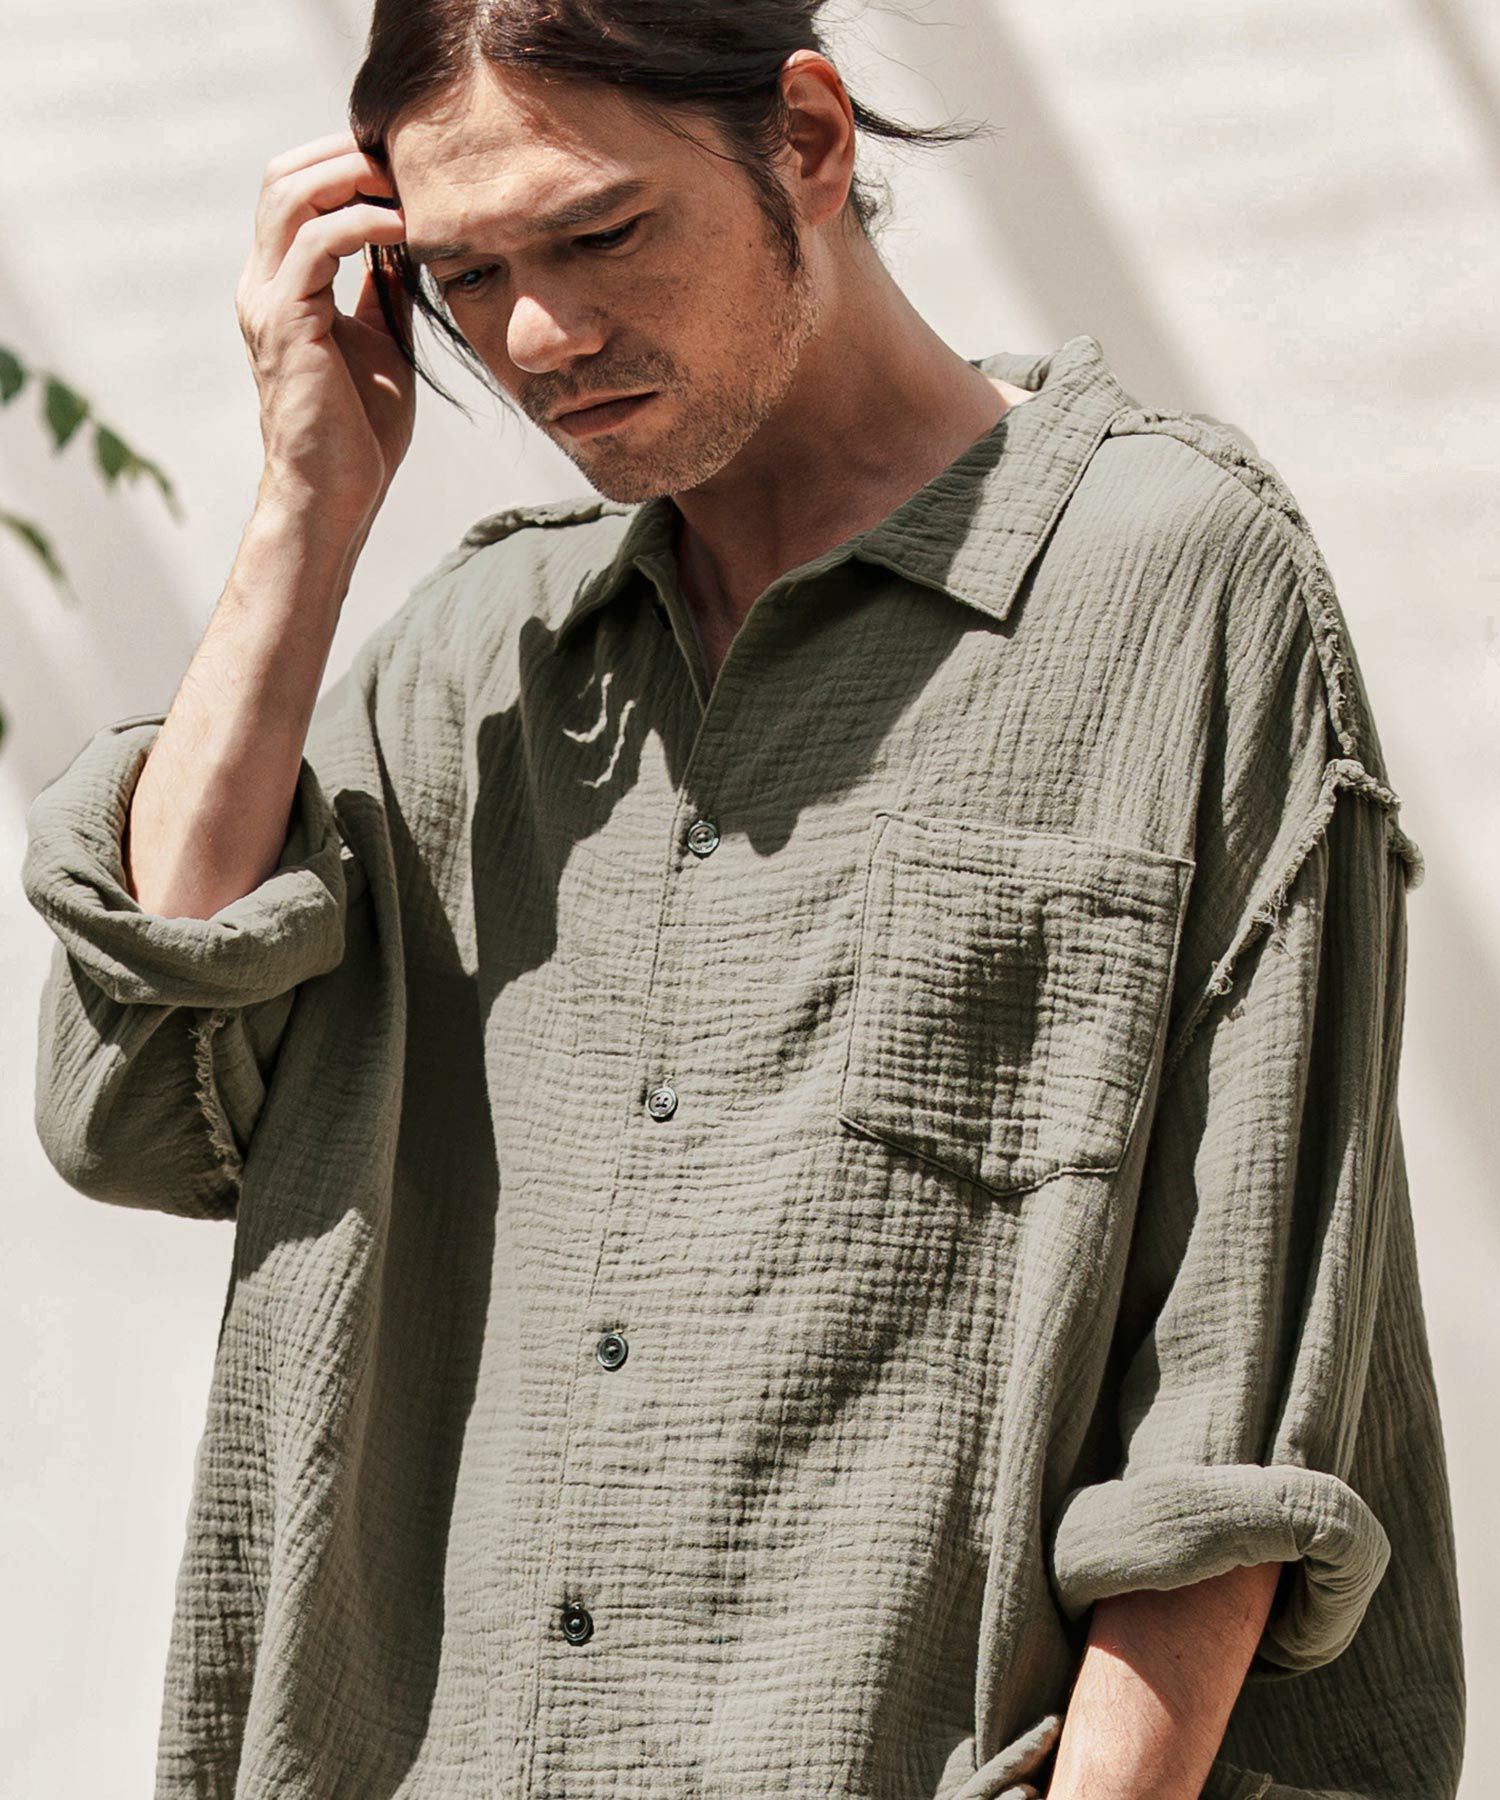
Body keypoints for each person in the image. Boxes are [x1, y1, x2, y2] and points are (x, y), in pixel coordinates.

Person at [20, 3, 1464, 1796]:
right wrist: (308, 506)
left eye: (602, 231)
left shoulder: (1170, 582)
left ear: (808, 138)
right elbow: (132, 1106)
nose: (539, 338)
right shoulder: (478, 668)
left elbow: (1237, 1374)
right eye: (467, 276)